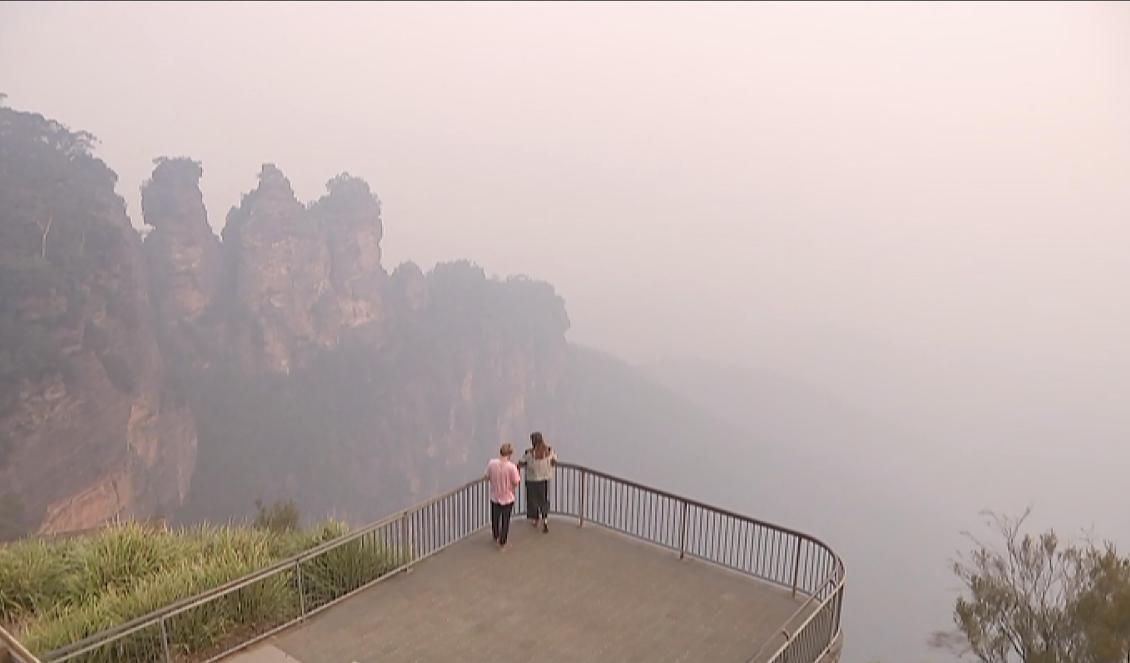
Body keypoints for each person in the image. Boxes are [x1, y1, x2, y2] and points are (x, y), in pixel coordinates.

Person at [519, 431, 557, 533]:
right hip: (544, 480)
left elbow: (522, 461)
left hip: (532, 480)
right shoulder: (549, 451)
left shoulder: (529, 454)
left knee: (532, 501)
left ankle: (535, 519)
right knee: (543, 500)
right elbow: (554, 461)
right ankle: (545, 521)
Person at [485, 442, 520, 550]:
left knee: (495, 518)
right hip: (507, 498)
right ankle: (502, 542)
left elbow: (487, 476)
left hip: (495, 496)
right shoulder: (511, 467)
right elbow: (516, 482)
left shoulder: (492, 463)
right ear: (509, 454)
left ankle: (495, 536)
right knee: (505, 521)